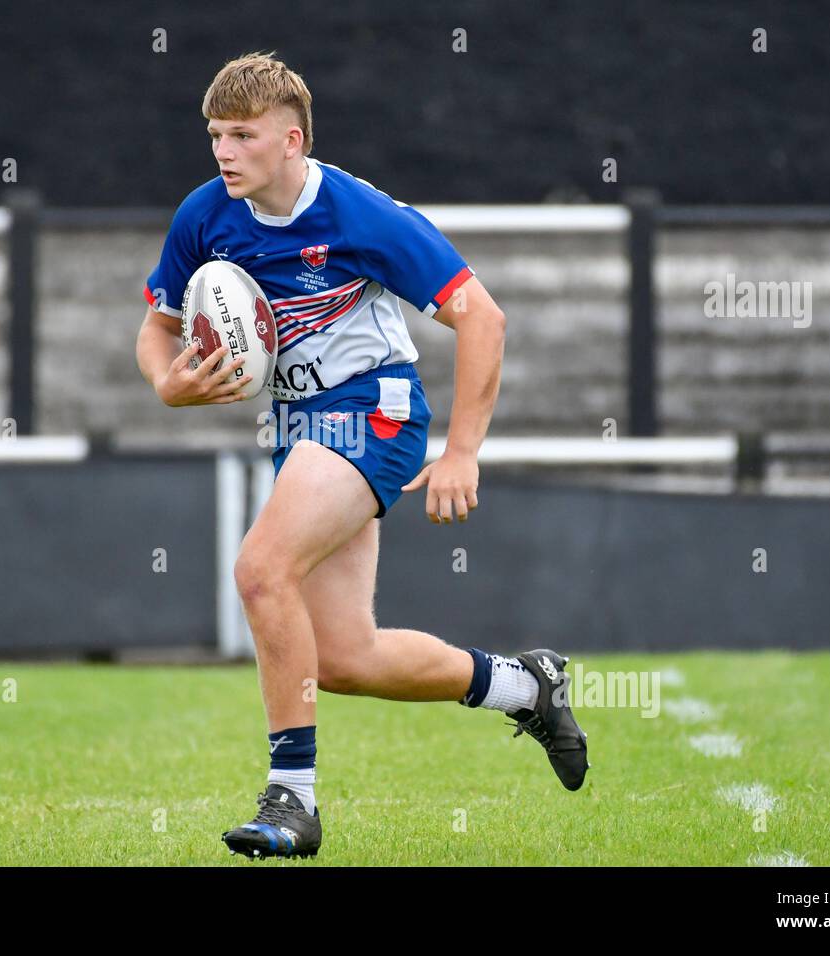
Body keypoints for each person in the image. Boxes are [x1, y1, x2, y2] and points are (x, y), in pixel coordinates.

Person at [135, 52, 588, 859]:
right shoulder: (204, 216)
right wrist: (166, 385)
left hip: (371, 414)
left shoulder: (361, 214)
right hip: (296, 430)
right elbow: (157, 329)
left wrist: (462, 453)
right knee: (344, 657)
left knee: (258, 570)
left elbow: (482, 317)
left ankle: (292, 802)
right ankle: (527, 686)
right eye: (214, 135)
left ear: (292, 139)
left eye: (242, 135)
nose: (223, 151)